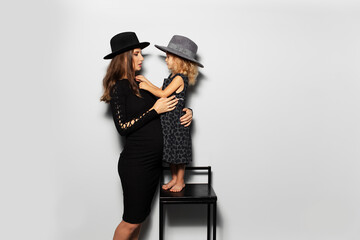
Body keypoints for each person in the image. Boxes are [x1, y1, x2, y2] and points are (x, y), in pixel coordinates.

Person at [100, 32, 193, 240]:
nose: (142, 58)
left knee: (139, 220)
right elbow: (123, 126)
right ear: (124, 57)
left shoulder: (140, 83)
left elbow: (170, 103)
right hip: (136, 165)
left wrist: (188, 113)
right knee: (130, 222)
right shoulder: (119, 88)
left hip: (153, 164)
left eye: (141, 53)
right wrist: (154, 111)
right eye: (136, 54)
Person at [136, 35, 203, 192]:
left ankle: (180, 180)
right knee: (171, 152)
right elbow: (161, 91)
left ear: (179, 60)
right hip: (169, 122)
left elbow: (163, 93)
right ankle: (174, 178)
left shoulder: (180, 78)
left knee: (179, 153)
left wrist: (146, 85)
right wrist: (147, 83)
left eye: (168, 57)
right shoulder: (173, 76)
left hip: (177, 122)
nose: (165, 60)